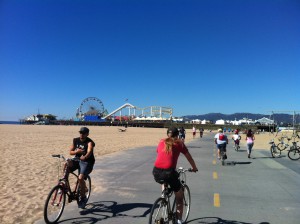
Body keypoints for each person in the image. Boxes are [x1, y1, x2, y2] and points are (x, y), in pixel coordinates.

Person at [153, 127, 198, 224]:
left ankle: (163, 196)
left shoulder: (161, 141)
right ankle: (178, 220)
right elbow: (189, 158)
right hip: (169, 172)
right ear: (177, 134)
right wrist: (194, 168)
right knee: (179, 196)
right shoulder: (180, 143)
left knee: (164, 180)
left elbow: (159, 153)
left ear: (167, 134)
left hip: (156, 171)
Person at [69, 127, 95, 208]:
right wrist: (77, 152)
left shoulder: (89, 142)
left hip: (87, 162)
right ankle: (63, 186)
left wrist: (85, 157)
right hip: (77, 160)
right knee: (66, 165)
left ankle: (83, 198)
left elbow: (90, 151)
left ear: (87, 134)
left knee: (80, 178)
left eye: (83, 133)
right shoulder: (75, 140)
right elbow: (70, 152)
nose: (81, 134)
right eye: (80, 132)